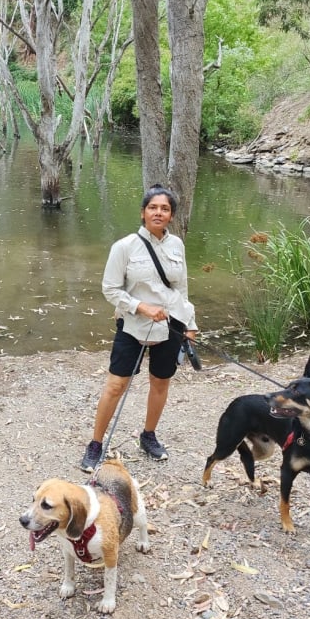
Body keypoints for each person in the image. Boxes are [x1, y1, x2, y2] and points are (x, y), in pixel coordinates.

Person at [80, 185, 197, 470]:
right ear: (143, 213)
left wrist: (190, 323)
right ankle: (96, 444)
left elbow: (181, 288)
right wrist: (141, 307)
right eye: (153, 207)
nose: (159, 212)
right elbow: (110, 289)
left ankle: (149, 436)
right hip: (132, 325)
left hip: (171, 325)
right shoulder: (124, 247)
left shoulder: (177, 245)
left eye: (165, 209)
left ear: (171, 215)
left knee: (160, 382)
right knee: (116, 385)